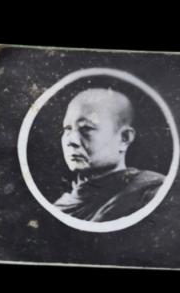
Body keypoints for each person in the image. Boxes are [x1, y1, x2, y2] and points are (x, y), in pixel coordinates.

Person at [54, 87, 165, 222]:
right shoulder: (61, 207)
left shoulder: (151, 193)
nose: (72, 141)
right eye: (67, 129)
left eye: (86, 128)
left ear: (124, 138)